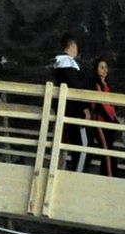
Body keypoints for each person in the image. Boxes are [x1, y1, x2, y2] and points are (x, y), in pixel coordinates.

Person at [50, 36, 85, 169]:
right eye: (75, 47)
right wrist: (82, 107)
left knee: (66, 140)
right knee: (78, 144)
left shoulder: (60, 62)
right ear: (71, 46)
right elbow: (73, 86)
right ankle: (77, 172)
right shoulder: (67, 63)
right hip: (71, 109)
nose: (77, 50)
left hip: (65, 108)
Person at [88, 59, 120, 176]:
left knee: (109, 151)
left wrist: (115, 119)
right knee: (106, 152)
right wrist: (110, 119)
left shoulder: (108, 86)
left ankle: (109, 176)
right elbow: (99, 105)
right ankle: (110, 177)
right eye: (101, 67)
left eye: (106, 67)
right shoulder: (95, 84)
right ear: (96, 70)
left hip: (110, 123)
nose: (105, 69)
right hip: (101, 122)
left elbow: (111, 106)